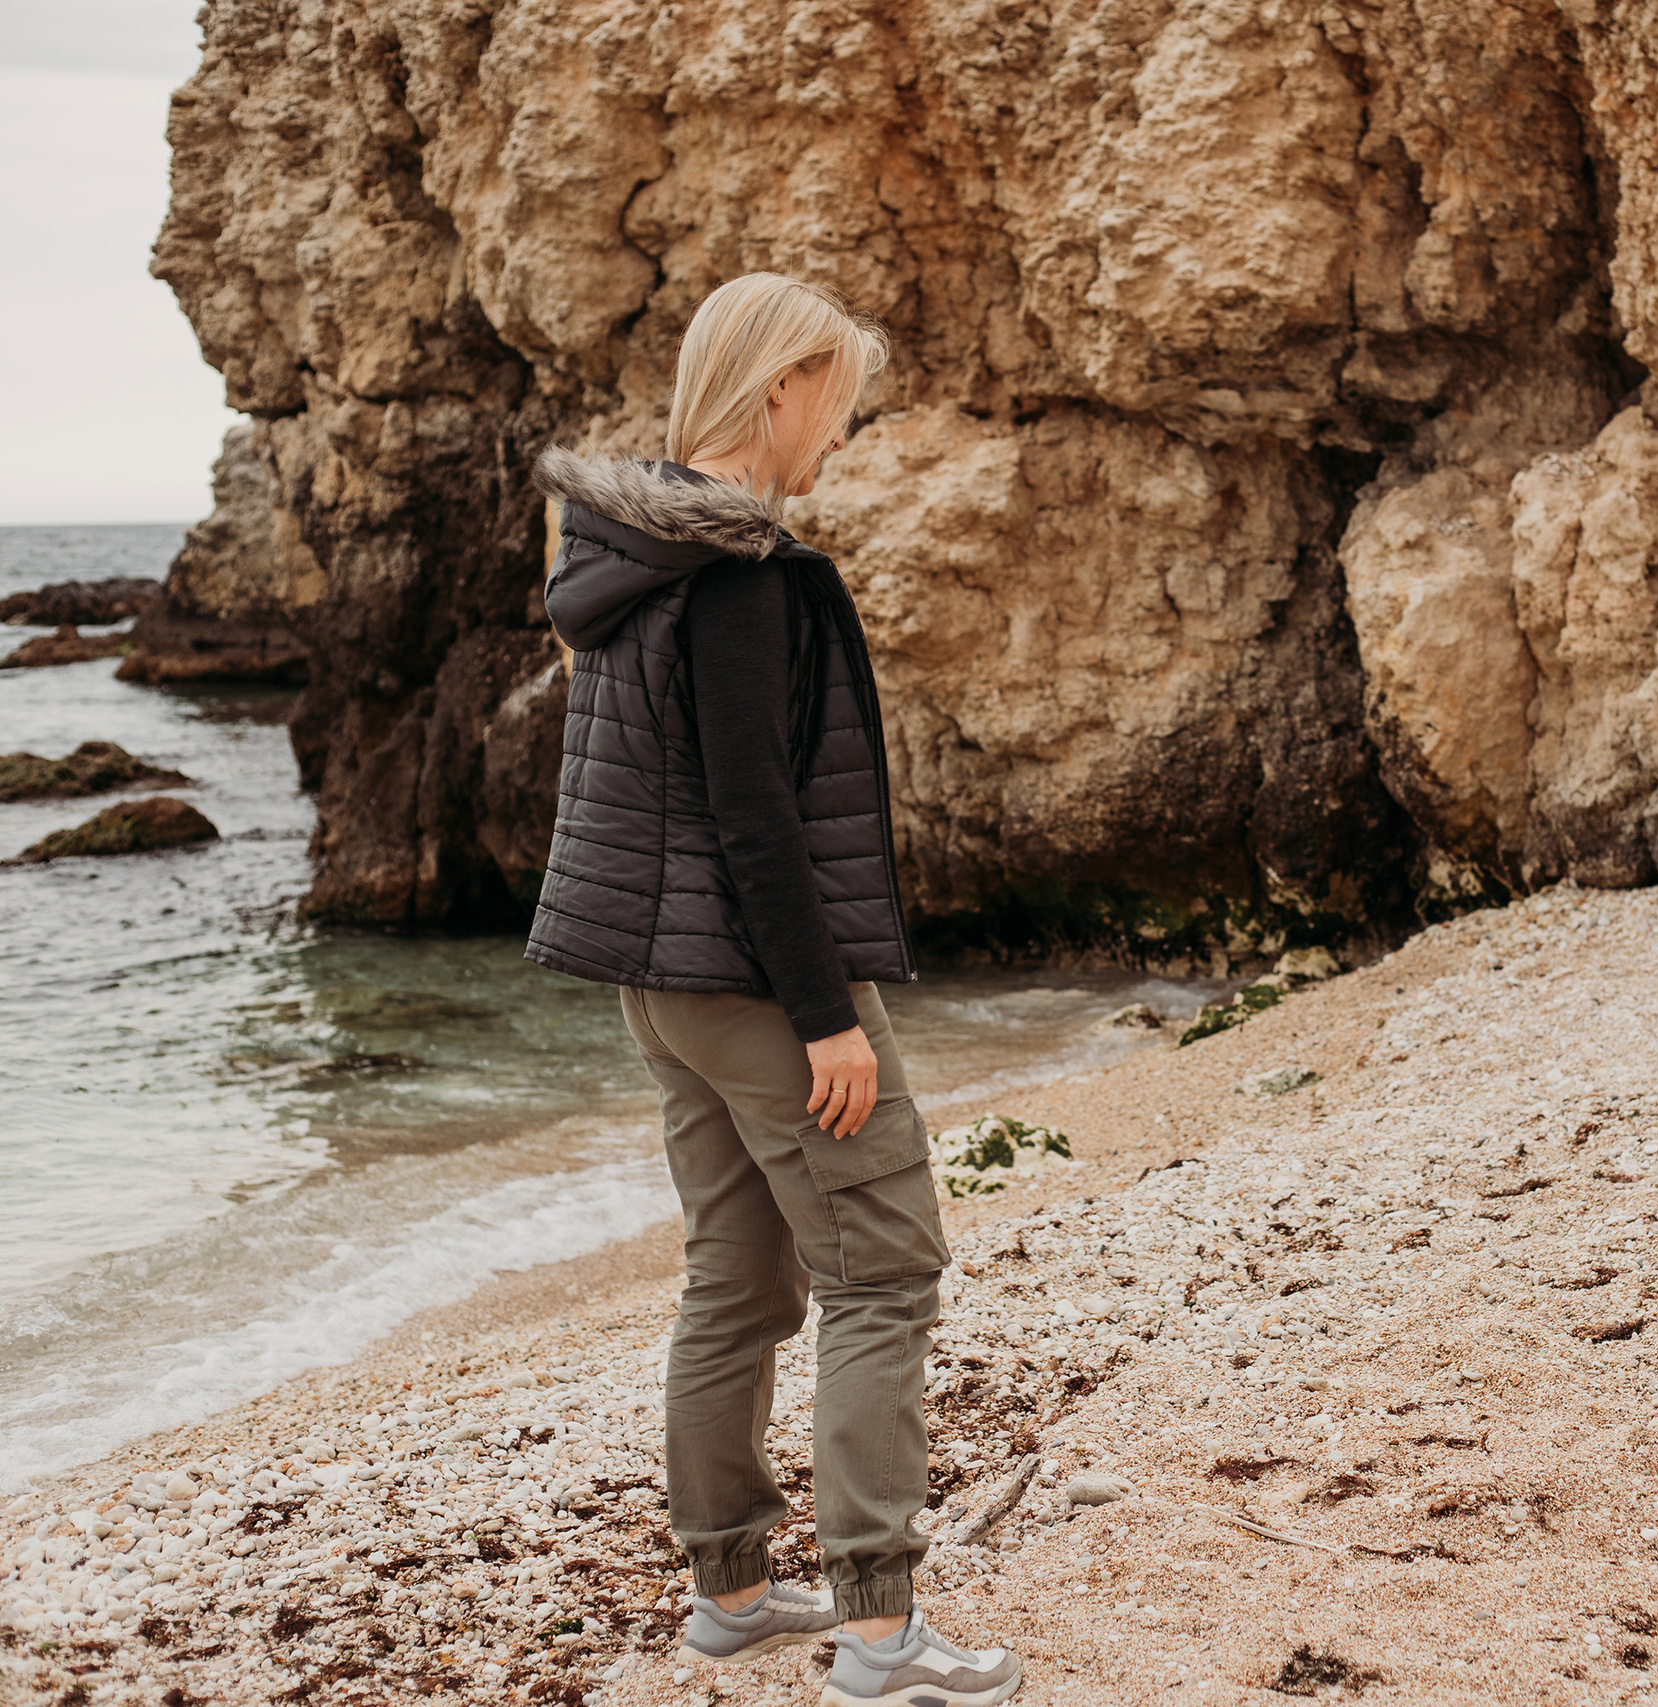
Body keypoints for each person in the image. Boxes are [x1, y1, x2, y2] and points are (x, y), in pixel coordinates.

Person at [526, 273, 1021, 1706]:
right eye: (839, 405)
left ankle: (731, 1591)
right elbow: (751, 814)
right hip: (757, 983)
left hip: (659, 983)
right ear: (779, 387)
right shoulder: (742, 571)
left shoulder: (622, 550)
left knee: (736, 1276)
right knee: (886, 1269)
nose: (841, 439)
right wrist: (826, 1014)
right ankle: (880, 1631)